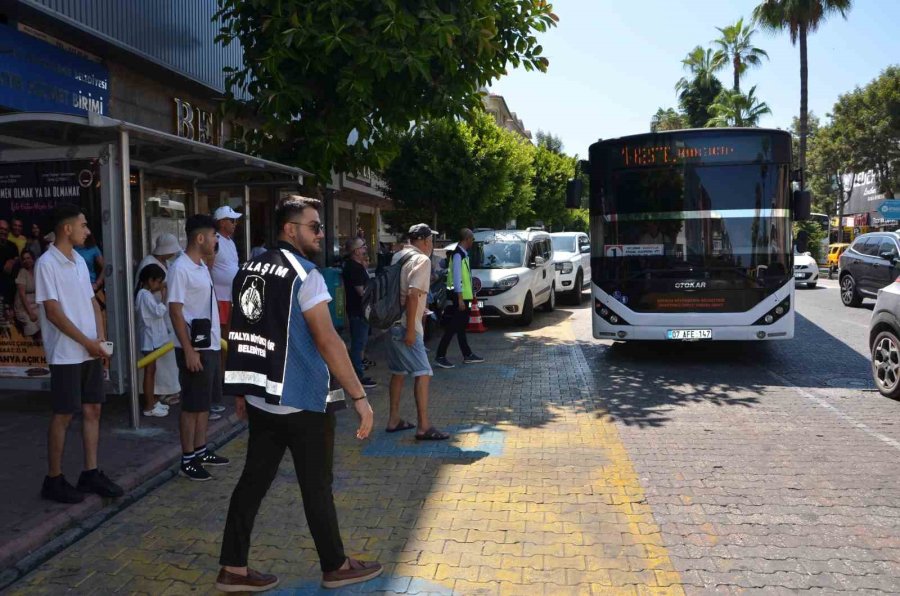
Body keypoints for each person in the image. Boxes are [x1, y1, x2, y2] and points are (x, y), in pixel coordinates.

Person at [217, 196, 382, 592]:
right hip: (303, 399)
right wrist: (359, 398)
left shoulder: (248, 269)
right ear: (291, 230)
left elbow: (242, 334)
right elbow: (328, 341)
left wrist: (242, 390)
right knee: (316, 486)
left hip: (262, 400)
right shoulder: (305, 275)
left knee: (252, 482)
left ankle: (233, 569)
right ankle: (335, 565)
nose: (321, 234)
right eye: (314, 226)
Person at [35, 204, 123, 503]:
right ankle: (54, 479)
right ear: (67, 228)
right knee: (63, 414)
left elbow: (93, 302)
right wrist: (87, 342)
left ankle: (90, 472)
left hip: (88, 351)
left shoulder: (78, 262)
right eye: (83, 225)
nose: (87, 231)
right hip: (66, 354)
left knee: (92, 409)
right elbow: (53, 312)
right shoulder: (47, 263)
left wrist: (99, 339)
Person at [168, 214, 229, 481]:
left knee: (203, 403)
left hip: (210, 344)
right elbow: (175, 311)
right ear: (200, 238)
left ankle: (201, 450)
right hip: (193, 348)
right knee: (191, 404)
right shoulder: (180, 268)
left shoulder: (201, 266)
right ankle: (188, 458)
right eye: (214, 236)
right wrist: (189, 349)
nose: (216, 241)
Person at [386, 224, 449, 440]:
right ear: (423, 240)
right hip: (406, 325)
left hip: (392, 324)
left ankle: (393, 419)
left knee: (398, 372)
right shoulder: (422, 260)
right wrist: (412, 330)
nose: (432, 244)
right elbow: (413, 295)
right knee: (423, 372)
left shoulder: (399, 256)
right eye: (431, 240)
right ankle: (423, 426)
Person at [136, 233, 182, 406]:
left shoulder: (168, 264)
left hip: (164, 318)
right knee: (156, 363)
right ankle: (156, 394)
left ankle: (167, 390)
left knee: (166, 358)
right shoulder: (148, 264)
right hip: (153, 319)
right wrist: (162, 292)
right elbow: (143, 291)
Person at [435, 229, 484, 369]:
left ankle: (467, 354)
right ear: (467, 239)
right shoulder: (458, 255)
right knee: (453, 327)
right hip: (459, 297)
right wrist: (461, 298)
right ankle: (440, 355)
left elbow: (465, 277)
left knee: (460, 327)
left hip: (464, 296)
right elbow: (457, 279)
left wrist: (471, 294)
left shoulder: (463, 254)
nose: (472, 242)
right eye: (472, 239)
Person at [210, 206, 242, 420]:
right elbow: (209, 266)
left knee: (229, 340)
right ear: (222, 222)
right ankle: (221, 381)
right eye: (231, 220)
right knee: (222, 341)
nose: (234, 223)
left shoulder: (229, 242)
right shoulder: (217, 242)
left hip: (230, 298)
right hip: (220, 298)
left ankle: (227, 378)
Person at [342, 238, 377, 389]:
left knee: (360, 343)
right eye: (363, 246)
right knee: (358, 344)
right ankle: (357, 376)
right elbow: (362, 292)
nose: (365, 248)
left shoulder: (357, 266)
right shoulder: (354, 268)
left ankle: (359, 371)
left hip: (360, 311)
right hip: (358, 311)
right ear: (356, 251)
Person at [136, 264, 170, 418]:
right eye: (158, 282)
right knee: (150, 371)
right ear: (151, 281)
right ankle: (149, 406)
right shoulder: (144, 295)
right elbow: (158, 312)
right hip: (149, 338)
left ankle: (152, 402)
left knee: (152, 370)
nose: (159, 285)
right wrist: (164, 298)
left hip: (151, 337)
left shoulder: (145, 294)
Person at [14, 249, 40, 339]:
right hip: (24, 307)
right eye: (24, 259)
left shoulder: (37, 271)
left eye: (28, 258)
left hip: (36, 304)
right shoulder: (22, 272)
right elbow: (22, 295)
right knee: (31, 324)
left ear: (33, 259)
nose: (26, 261)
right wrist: (30, 313)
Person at [0, 220, 20, 316]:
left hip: (11, 289)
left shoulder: (12, 246)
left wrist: (12, 261)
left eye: (5, 229)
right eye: (1, 229)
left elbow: (17, 260)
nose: (3, 231)